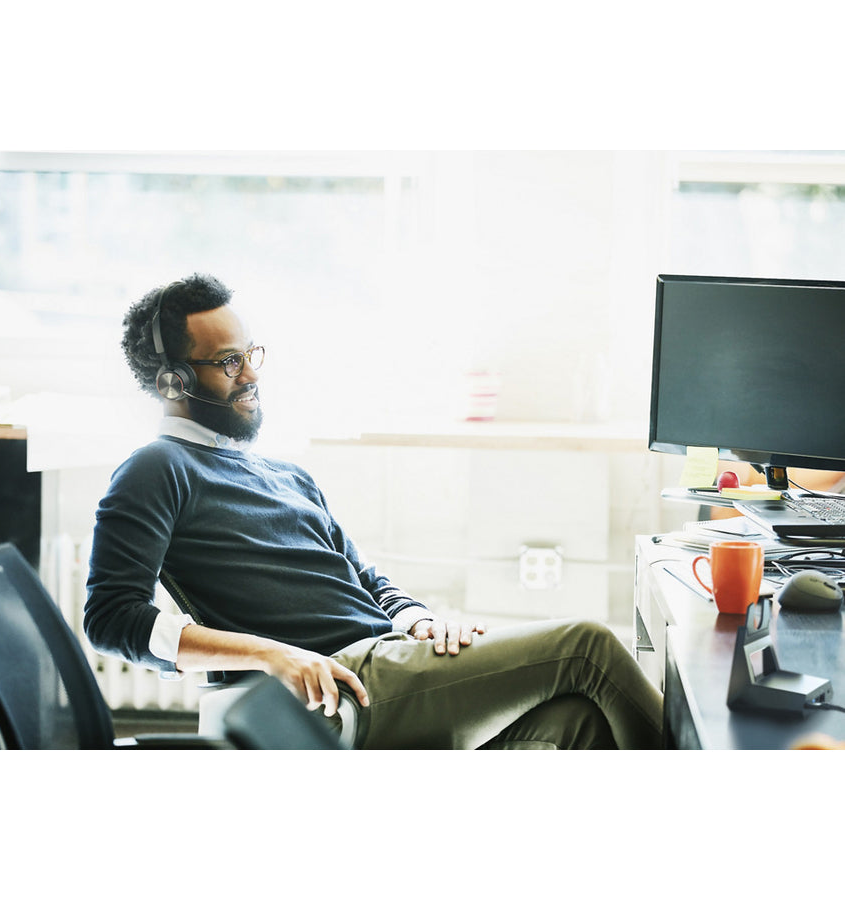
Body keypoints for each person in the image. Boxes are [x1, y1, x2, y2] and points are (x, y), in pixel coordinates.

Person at [85, 273, 663, 749]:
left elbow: (364, 579)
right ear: (174, 382)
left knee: (576, 723)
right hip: (343, 685)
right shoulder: (156, 469)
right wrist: (271, 655)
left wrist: (418, 619)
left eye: (251, 354)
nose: (252, 374)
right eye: (229, 362)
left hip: (393, 657)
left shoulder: (286, 475)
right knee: (588, 647)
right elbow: (111, 619)